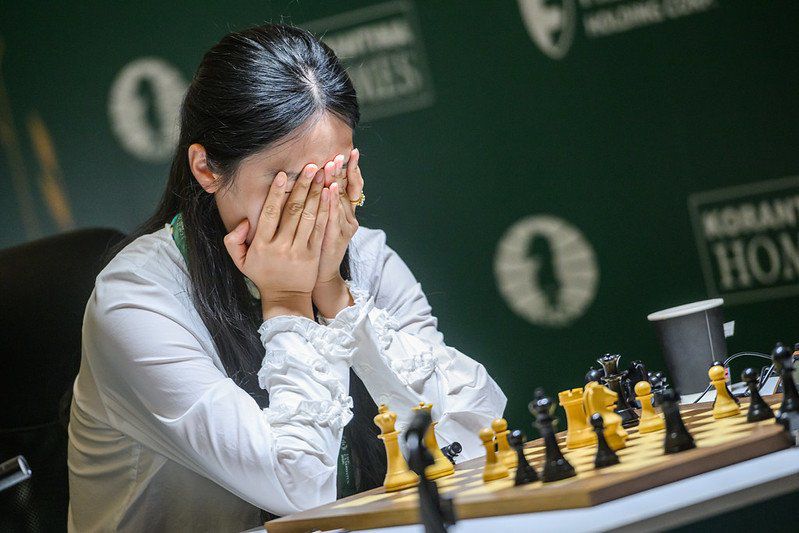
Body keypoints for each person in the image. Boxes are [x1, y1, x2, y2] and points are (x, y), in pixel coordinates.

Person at [67, 23, 506, 532]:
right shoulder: (136, 300)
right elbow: (302, 489)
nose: (316, 211)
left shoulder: (365, 256)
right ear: (207, 168)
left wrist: (336, 297)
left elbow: (473, 440)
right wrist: (288, 300)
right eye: (291, 186)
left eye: (333, 178)